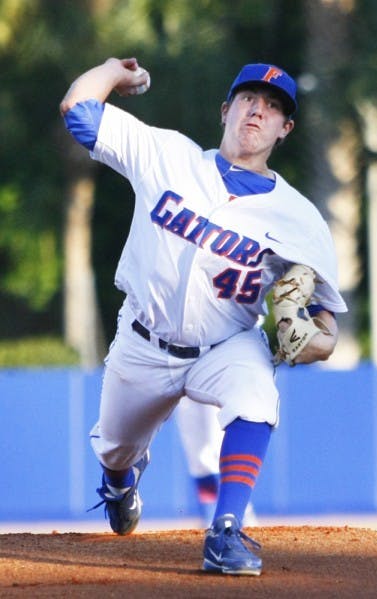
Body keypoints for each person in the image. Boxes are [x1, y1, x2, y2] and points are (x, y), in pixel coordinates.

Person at [60, 58, 347, 576]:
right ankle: (121, 481)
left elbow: (327, 325)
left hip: (225, 345)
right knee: (116, 450)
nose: (258, 110)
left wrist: (313, 343)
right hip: (143, 342)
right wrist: (109, 71)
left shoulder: (300, 218)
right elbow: (78, 110)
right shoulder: (168, 155)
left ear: (286, 129)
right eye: (249, 99)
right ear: (226, 111)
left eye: (274, 107)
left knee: (257, 394)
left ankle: (227, 531)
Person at [175, 396, 258, 527]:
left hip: (213, 384)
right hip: (184, 389)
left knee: (218, 450)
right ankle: (210, 519)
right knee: (198, 460)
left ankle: (241, 514)